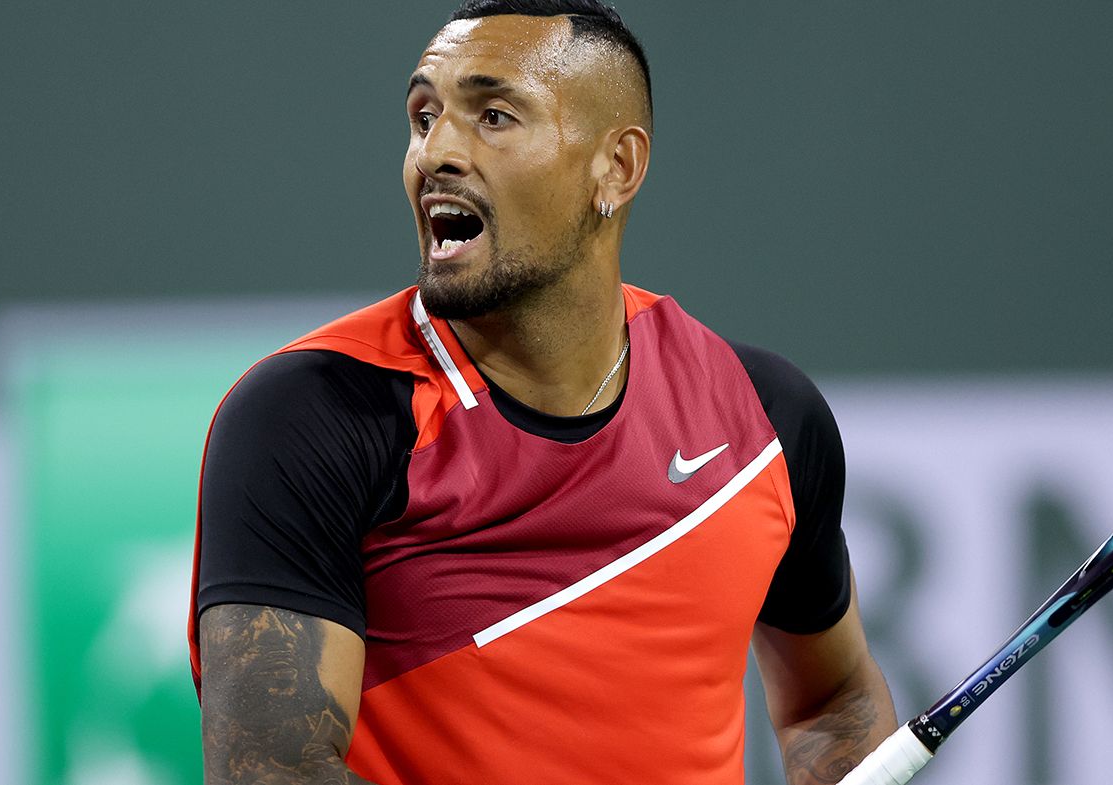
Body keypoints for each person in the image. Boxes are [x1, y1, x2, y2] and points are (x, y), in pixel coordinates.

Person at [188, 1, 897, 783]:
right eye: (425, 116)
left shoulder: (764, 418)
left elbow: (833, 701)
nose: (437, 153)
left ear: (617, 168)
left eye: (493, 115)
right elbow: (272, 771)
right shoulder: (313, 416)